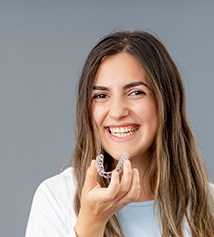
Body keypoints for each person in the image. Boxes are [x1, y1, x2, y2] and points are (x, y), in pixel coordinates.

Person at [25, 31, 214, 237]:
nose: (117, 111)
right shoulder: (56, 197)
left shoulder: (209, 203)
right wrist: (90, 225)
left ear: (166, 102)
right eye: (101, 95)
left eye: (135, 92)